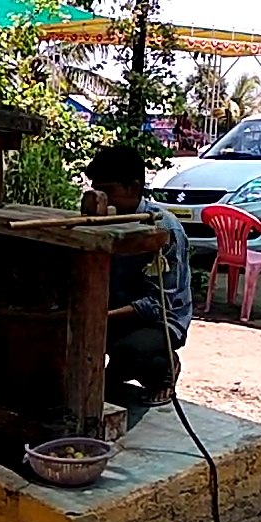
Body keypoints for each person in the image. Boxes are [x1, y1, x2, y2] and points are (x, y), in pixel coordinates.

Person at [85, 146, 192, 406]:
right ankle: (112, 372)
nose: (102, 200)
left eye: (108, 192)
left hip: (160, 321)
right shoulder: (103, 221)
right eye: (96, 191)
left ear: (132, 188)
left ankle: (164, 371)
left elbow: (159, 303)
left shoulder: (163, 229)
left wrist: (100, 317)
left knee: (131, 351)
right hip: (115, 311)